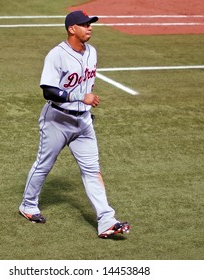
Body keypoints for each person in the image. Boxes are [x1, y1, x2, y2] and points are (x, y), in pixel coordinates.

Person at [18, 10, 130, 238]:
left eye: (90, 24)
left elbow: (87, 85)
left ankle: (106, 220)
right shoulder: (56, 55)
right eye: (84, 24)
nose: (89, 27)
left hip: (83, 122)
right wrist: (79, 98)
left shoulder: (92, 52)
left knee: (92, 171)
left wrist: (85, 110)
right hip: (57, 120)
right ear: (72, 29)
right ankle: (28, 205)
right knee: (44, 164)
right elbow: (48, 90)